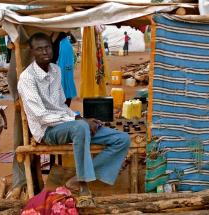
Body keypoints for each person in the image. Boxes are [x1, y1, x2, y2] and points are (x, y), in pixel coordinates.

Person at [18, 33, 130, 200]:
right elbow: (41, 116)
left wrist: (80, 118)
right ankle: (83, 184)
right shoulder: (27, 79)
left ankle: (77, 178)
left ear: (52, 48)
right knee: (80, 126)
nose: (45, 52)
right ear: (32, 51)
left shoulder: (56, 70)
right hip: (47, 131)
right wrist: (78, 120)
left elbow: (62, 105)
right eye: (39, 49)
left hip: (67, 125)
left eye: (47, 47)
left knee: (122, 139)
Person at [52, 32, 77, 107]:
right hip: (64, 71)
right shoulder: (65, 41)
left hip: (60, 70)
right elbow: (74, 40)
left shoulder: (60, 42)